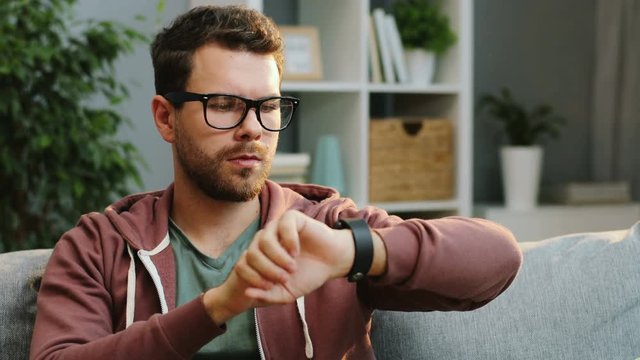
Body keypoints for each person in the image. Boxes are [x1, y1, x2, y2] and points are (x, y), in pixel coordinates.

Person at [30, 5, 522, 360]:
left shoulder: (325, 227)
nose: (252, 127)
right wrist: (218, 306)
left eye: (267, 106)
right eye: (222, 104)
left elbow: (496, 258)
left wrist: (349, 253)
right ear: (166, 118)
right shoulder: (101, 246)